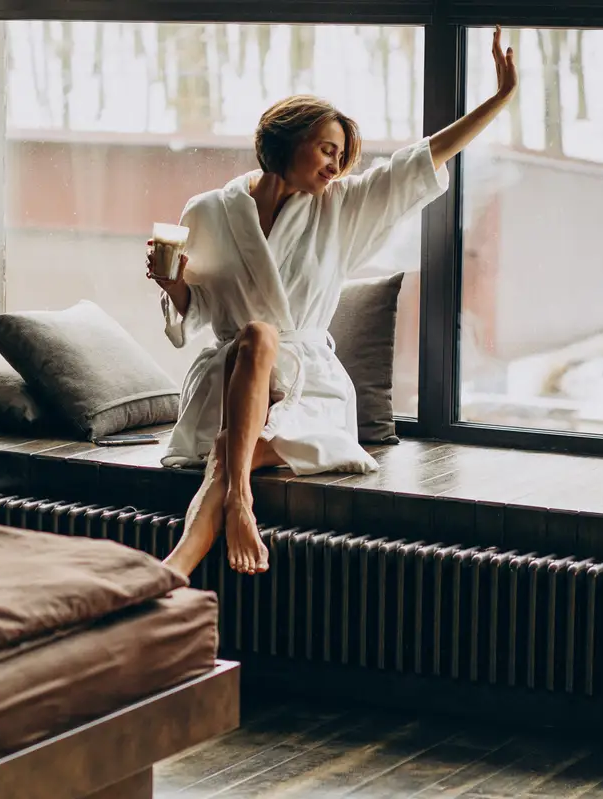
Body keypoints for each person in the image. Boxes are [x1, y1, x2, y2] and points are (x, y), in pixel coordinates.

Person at [146, 26, 518, 578]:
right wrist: (167, 282)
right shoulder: (206, 212)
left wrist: (499, 99)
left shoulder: (340, 206)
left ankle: (196, 543)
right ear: (285, 139)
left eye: (341, 156)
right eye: (325, 149)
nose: (334, 166)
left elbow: (422, 160)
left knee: (235, 432)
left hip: (307, 387)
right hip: (232, 382)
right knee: (254, 336)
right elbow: (196, 309)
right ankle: (224, 508)